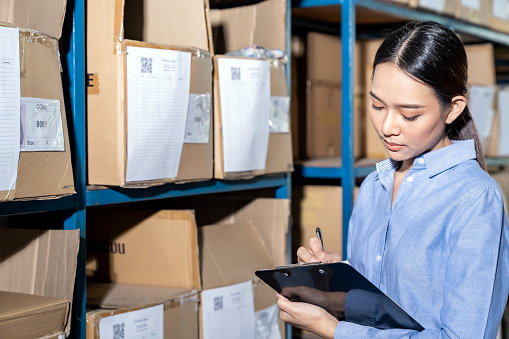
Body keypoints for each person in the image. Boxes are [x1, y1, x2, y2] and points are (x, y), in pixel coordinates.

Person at [277, 21, 509, 338]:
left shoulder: (475, 198)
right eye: (377, 105)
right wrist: (334, 290)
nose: (387, 126)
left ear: (452, 109)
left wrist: (334, 330)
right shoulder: (375, 186)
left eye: (409, 114)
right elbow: (392, 307)